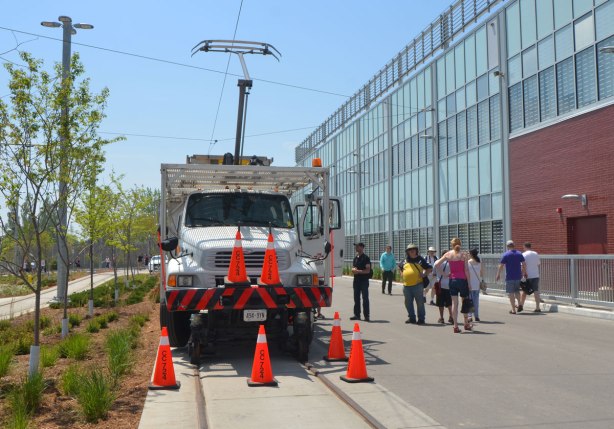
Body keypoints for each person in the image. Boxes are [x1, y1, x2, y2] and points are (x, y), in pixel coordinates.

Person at [435, 237, 471, 333]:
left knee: (455, 304)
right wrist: (469, 283)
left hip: (452, 280)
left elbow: (436, 264)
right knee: (465, 302)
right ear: (460, 244)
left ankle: (455, 326)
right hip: (462, 280)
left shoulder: (448, 254)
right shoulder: (463, 255)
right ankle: (466, 323)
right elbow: (466, 270)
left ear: (451, 245)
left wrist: (444, 274)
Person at [399, 243, 432, 325]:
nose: (412, 251)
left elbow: (429, 268)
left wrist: (424, 274)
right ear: (407, 252)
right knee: (408, 303)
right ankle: (412, 318)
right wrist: (402, 273)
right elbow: (399, 267)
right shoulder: (405, 260)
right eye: (410, 250)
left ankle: (421, 319)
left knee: (420, 303)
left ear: (416, 250)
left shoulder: (420, 260)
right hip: (406, 286)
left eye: (413, 249)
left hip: (417, 285)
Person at [495, 240, 527, 314]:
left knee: (511, 293)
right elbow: (524, 264)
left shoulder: (506, 254)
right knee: (517, 291)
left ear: (507, 246)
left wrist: (498, 274)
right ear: (514, 245)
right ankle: (519, 304)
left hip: (509, 276)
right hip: (518, 276)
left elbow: (501, 265)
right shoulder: (519, 254)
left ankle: (513, 309)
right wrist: (524, 273)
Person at [351, 242, 371, 322]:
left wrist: (358, 271)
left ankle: (366, 316)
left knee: (365, 298)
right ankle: (357, 315)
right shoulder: (355, 258)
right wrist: (353, 270)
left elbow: (368, 270)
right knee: (356, 298)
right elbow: (353, 268)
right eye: (356, 246)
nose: (356, 247)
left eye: (357, 246)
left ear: (362, 247)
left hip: (364, 281)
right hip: (356, 281)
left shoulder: (366, 258)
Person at [520, 242, 542, 312]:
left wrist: (522, 274)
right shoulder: (535, 253)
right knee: (536, 291)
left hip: (527, 275)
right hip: (535, 275)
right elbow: (538, 264)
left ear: (524, 247)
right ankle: (537, 307)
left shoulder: (523, 254)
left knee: (524, 291)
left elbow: (522, 266)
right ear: (530, 246)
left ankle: (521, 305)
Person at [435, 254, 453, 324]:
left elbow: (434, 273)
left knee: (440, 303)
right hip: (449, 285)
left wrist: (442, 274)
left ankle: (441, 318)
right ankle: (451, 317)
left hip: (440, 285)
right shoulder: (451, 263)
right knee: (449, 303)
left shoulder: (437, 262)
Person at [467, 248, 483, 322]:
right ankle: (476, 316)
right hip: (477, 284)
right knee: (476, 301)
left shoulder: (468, 262)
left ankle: (470, 316)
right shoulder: (479, 262)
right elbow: (482, 272)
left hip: (470, 284)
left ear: (471, 254)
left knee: (470, 301)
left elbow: (467, 274)